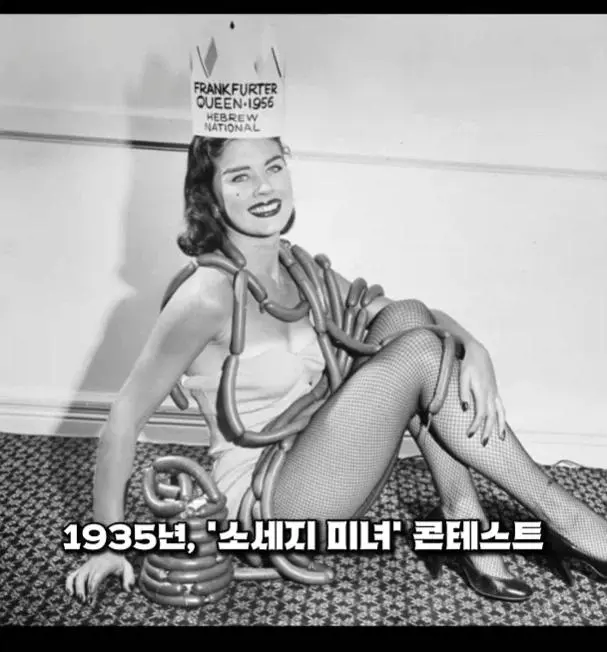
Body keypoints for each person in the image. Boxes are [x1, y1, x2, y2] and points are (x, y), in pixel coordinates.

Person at [65, 133, 607, 606]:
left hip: (314, 454)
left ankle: (463, 516)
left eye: (274, 167)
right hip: (265, 503)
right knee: (421, 351)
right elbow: (123, 416)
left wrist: (475, 347)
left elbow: (404, 316)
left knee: (408, 318)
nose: (264, 188)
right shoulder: (206, 295)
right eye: (240, 177)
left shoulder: (294, 268)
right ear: (209, 194)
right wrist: (107, 543)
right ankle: (570, 520)